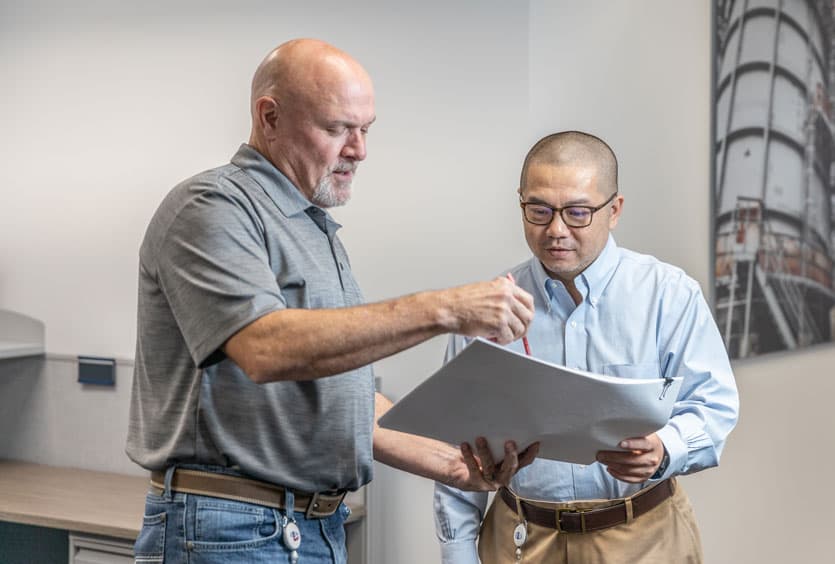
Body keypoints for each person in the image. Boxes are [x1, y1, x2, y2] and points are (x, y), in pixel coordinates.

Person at [126, 38, 539, 564]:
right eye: (337, 128)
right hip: (230, 528)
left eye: (366, 129)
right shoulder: (211, 207)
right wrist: (445, 309)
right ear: (269, 117)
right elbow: (266, 349)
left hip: (312, 528)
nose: (359, 149)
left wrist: (455, 465)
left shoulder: (313, 229)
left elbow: (346, 404)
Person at [434, 131, 739, 564]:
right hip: (519, 540)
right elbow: (455, 445)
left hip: (645, 538)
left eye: (578, 212)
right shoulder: (488, 308)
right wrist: (457, 551)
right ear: (520, 203)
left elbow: (715, 406)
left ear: (614, 211)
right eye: (538, 210)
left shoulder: (668, 294)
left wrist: (666, 447)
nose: (556, 230)